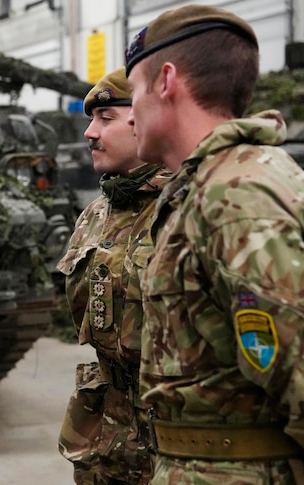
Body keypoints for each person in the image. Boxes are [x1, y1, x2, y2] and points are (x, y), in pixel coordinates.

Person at [125, 4, 304, 483]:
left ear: (165, 81)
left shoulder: (233, 194)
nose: (129, 117)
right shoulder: (211, 184)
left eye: (135, 91)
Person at [56, 67, 170, 485]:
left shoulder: (188, 208)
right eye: (92, 120)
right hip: (109, 433)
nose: (90, 133)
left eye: (106, 119)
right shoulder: (96, 215)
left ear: (146, 119)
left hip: (174, 437)